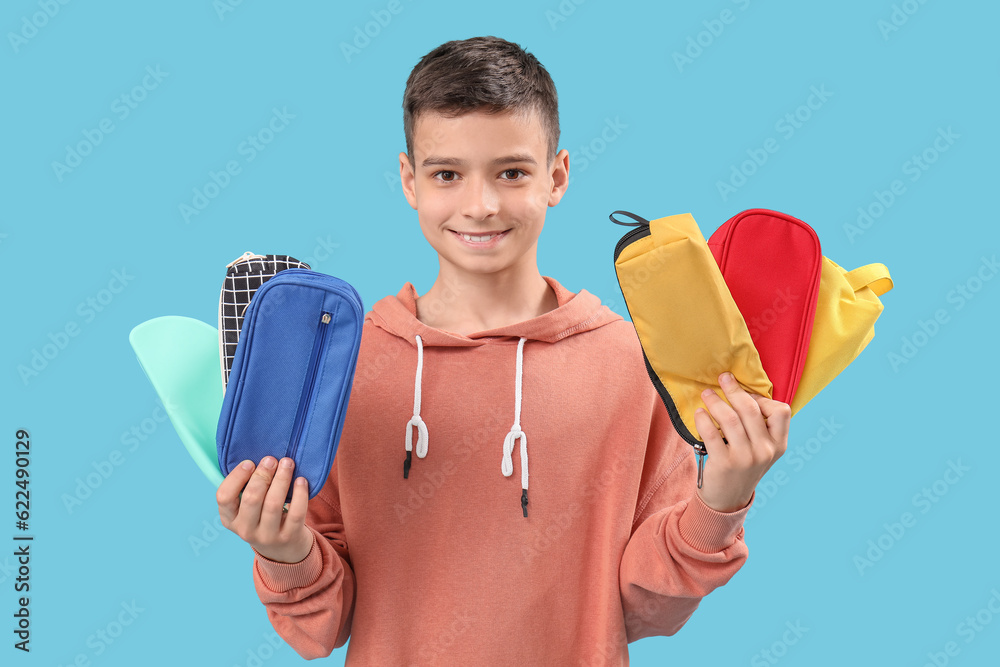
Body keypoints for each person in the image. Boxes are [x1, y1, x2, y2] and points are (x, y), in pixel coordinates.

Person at [216, 35, 790, 665]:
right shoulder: (345, 370)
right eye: (447, 174)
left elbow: (645, 607)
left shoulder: (633, 363)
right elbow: (322, 627)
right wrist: (284, 551)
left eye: (511, 172)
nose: (481, 205)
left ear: (558, 176)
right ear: (409, 181)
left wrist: (722, 501)